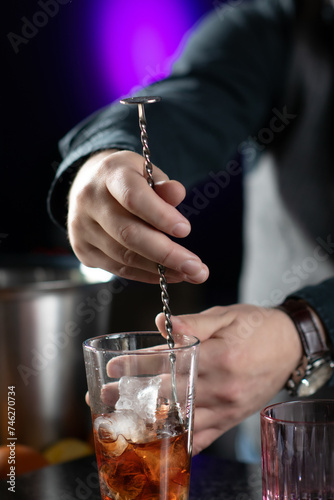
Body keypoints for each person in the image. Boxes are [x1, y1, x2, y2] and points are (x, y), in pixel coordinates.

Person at [48, 0, 334, 459]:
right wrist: (104, 160)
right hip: (281, 452)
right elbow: (192, 98)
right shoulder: (279, 23)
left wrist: (310, 328)